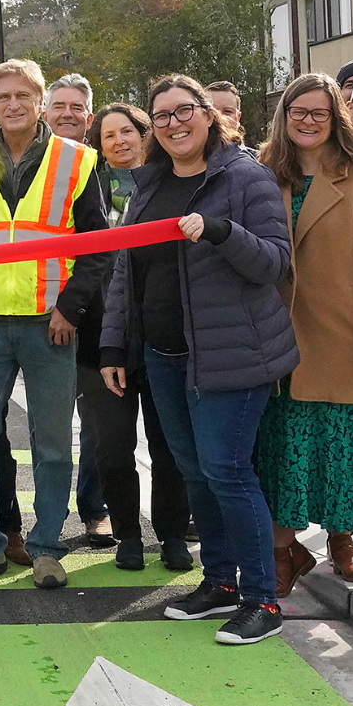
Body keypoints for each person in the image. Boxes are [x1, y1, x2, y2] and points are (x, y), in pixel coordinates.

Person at [100, 74, 298, 645]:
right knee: (195, 472)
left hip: (231, 356)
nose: (173, 124)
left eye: (183, 111)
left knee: (228, 472)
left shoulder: (245, 178)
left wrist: (220, 232)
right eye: (160, 116)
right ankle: (221, 583)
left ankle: (262, 598)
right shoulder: (149, 185)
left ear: (209, 116)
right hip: (164, 357)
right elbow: (123, 270)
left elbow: (273, 262)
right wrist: (115, 344)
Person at [0, 59, 110, 589]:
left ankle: (48, 548)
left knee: (52, 443)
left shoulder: (78, 160)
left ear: (40, 102)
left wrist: (69, 309)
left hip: (49, 323)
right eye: (2, 97)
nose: (12, 105)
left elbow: (98, 249)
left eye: (22, 96)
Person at [79, 103, 192, 570]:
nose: (120, 141)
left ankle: (171, 536)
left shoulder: (170, 186)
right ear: (98, 145)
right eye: (108, 136)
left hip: (161, 336)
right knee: (112, 445)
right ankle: (127, 534)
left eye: (128, 131)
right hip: (101, 340)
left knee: (169, 446)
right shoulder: (87, 189)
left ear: (146, 134)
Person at [257, 73, 353, 593]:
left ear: (335, 116)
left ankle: (342, 538)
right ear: (284, 116)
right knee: (284, 446)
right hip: (275, 333)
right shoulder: (263, 172)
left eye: (320, 112)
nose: (309, 121)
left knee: (339, 441)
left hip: (340, 330)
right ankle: (284, 549)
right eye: (299, 112)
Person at [43, 73, 112, 549]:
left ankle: (94, 508)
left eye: (77, 107)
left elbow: (100, 248)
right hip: (38, 313)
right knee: (46, 426)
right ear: (46, 111)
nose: (67, 113)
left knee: (97, 423)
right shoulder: (30, 166)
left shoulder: (102, 165)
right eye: (59, 104)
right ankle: (40, 524)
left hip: (98, 314)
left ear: (89, 117)